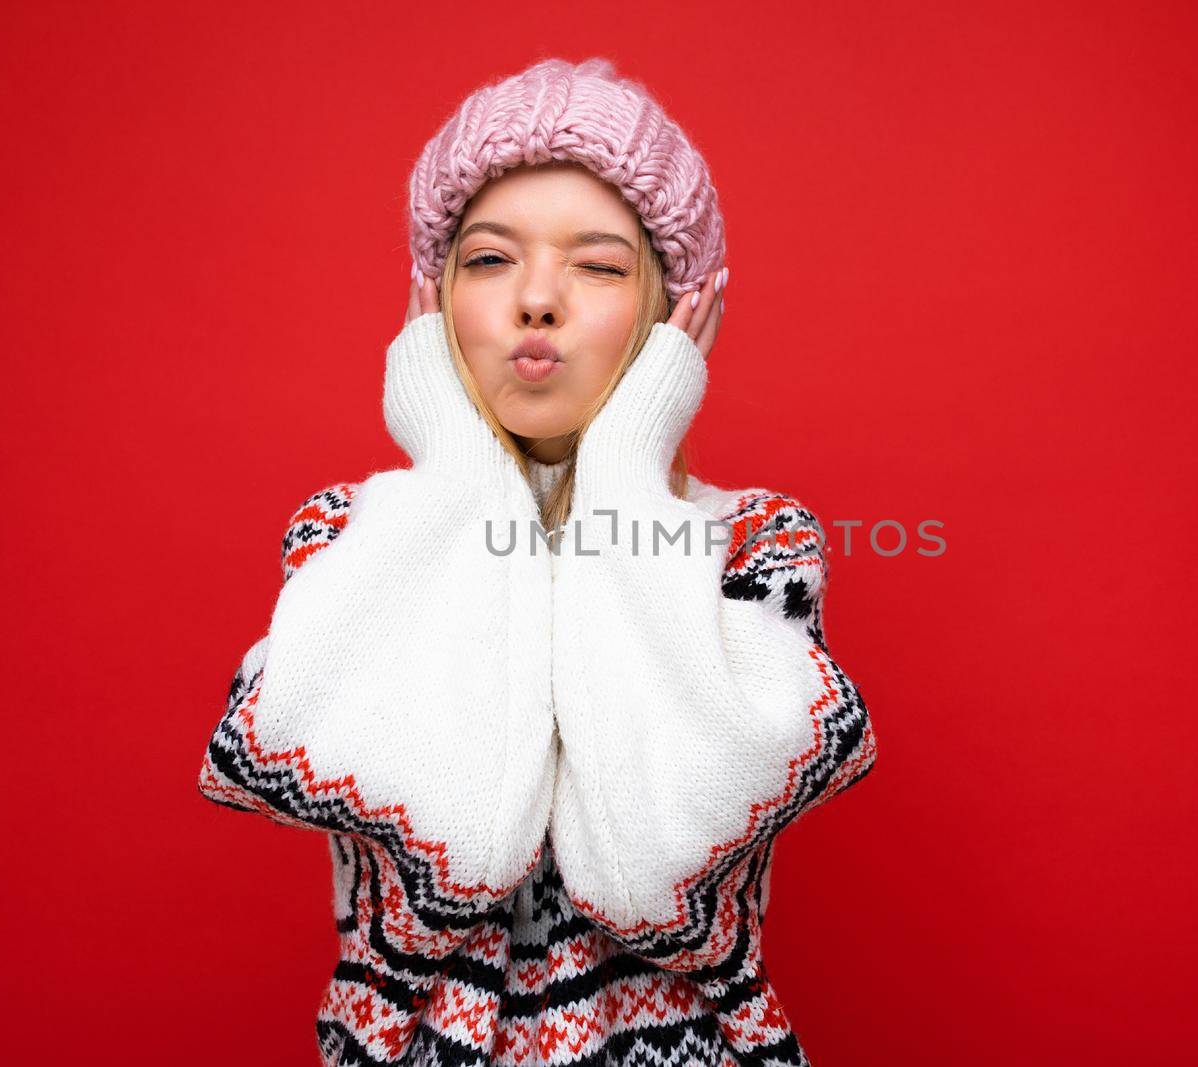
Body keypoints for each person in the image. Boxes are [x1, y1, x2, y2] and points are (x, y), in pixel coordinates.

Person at [198, 56, 878, 1067]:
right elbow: (456, 863)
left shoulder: (760, 543)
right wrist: (458, 468)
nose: (537, 301)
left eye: (599, 267)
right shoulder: (346, 535)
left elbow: (649, 882)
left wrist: (623, 468)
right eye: (486, 261)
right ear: (430, 310)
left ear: (675, 315)